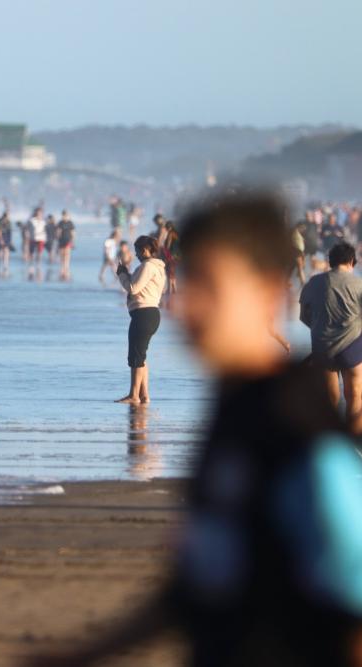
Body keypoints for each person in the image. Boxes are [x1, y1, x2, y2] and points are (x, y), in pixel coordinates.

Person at [28, 190, 362, 667]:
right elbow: (200, 584)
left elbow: (352, 590)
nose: (187, 308)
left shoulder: (298, 427)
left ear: (269, 291)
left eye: (210, 286)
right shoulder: (235, 408)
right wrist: (85, 653)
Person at [299, 241, 362, 431]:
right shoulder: (358, 284)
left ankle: (329, 445)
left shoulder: (313, 283)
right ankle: (355, 446)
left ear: (330, 261)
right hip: (352, 348)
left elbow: (303, 316)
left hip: (322, 349)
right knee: (355, 396)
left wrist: (321, 327)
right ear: (351, 261)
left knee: (330, 401)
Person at [115, 235, 166, 404]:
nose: (136, 255)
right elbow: (137, 284)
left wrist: (122, 275)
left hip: (144, 314)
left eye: (137, 251)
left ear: (145, 250)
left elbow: (133, 287)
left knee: (136, 356)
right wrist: (126, 273)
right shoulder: (156, 267)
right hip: (149, 314)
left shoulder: (148, 266)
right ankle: (144, 395)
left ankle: (134, 395)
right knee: (140, 355)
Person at [57, 210, 76, 281]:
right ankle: (62, 267)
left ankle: (66, 266)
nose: (64, 217)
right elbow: (58, 232)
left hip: (68, 240)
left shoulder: (70, 223)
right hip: (61, 241)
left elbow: (73, 232)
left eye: (66, 215)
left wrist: (73, 241)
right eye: (63, 215)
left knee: (67, 254)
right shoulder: (60, 223)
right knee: (62, 254)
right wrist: (57, 239)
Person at [0, 212, 13, 277]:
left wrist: (11, 241)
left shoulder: (9, 221)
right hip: (0, 236)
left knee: (6, 250)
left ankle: (5, 264)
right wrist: (1, 240)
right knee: (0, 251)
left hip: (7, 236)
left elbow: (10, 231)